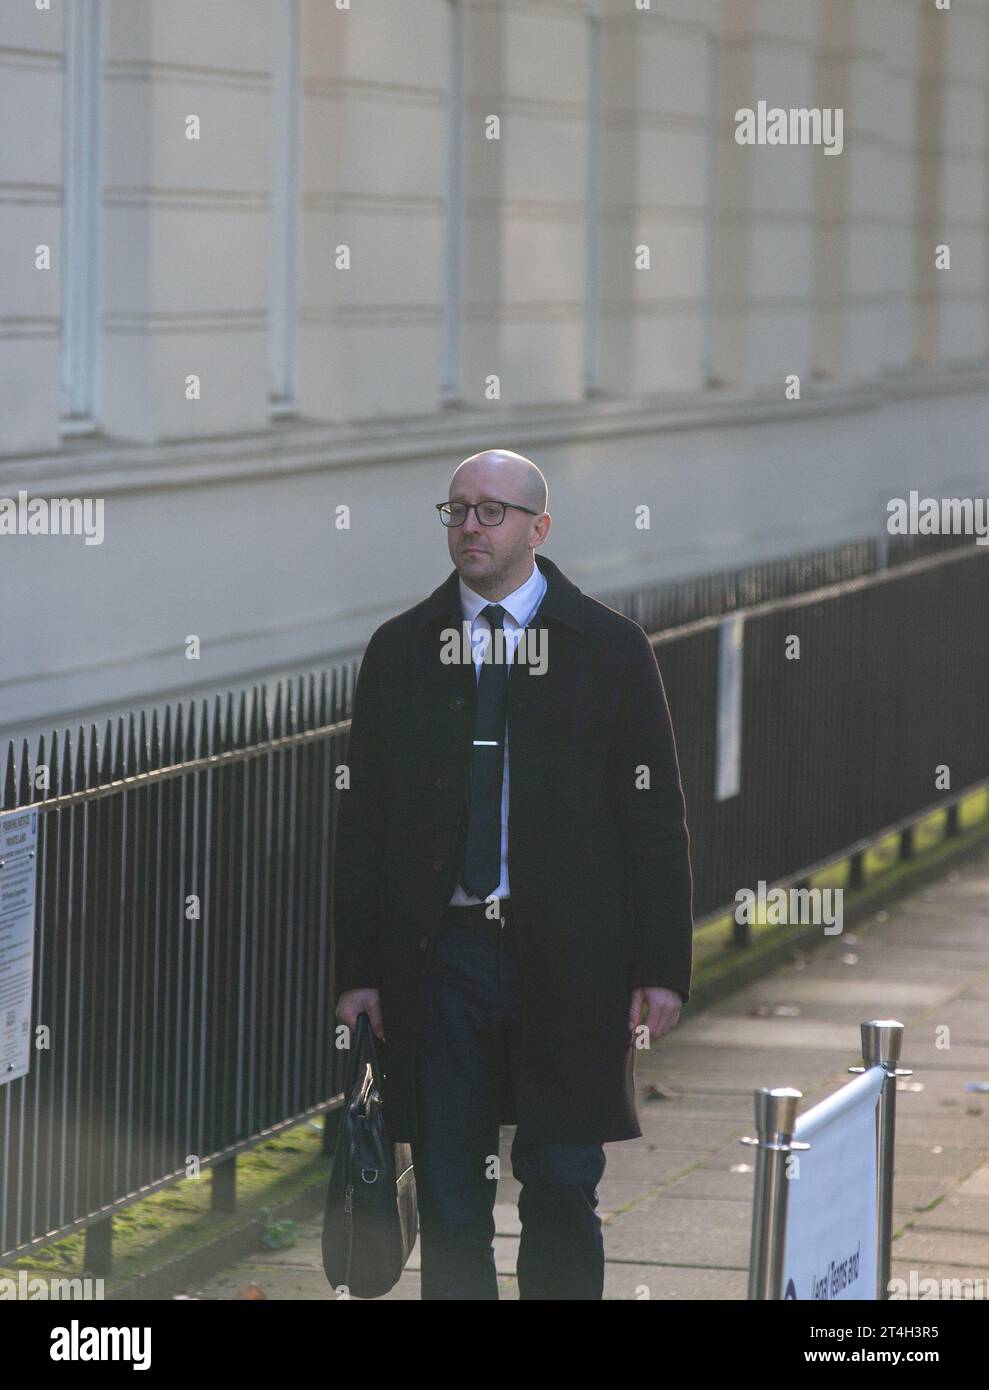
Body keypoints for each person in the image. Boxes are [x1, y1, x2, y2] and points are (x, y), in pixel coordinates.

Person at [333, 448, 693, 1300]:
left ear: (538, 527)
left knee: (562, 1182)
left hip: (569, 962)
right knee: (454, 1197)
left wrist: (660, 969)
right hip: (442, 962)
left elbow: (653, 819)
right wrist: (356, 973)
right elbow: (363, 827)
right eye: (456, 509)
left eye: (491, 510)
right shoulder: (402, 650)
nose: (469, 526)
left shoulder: (609, 648)